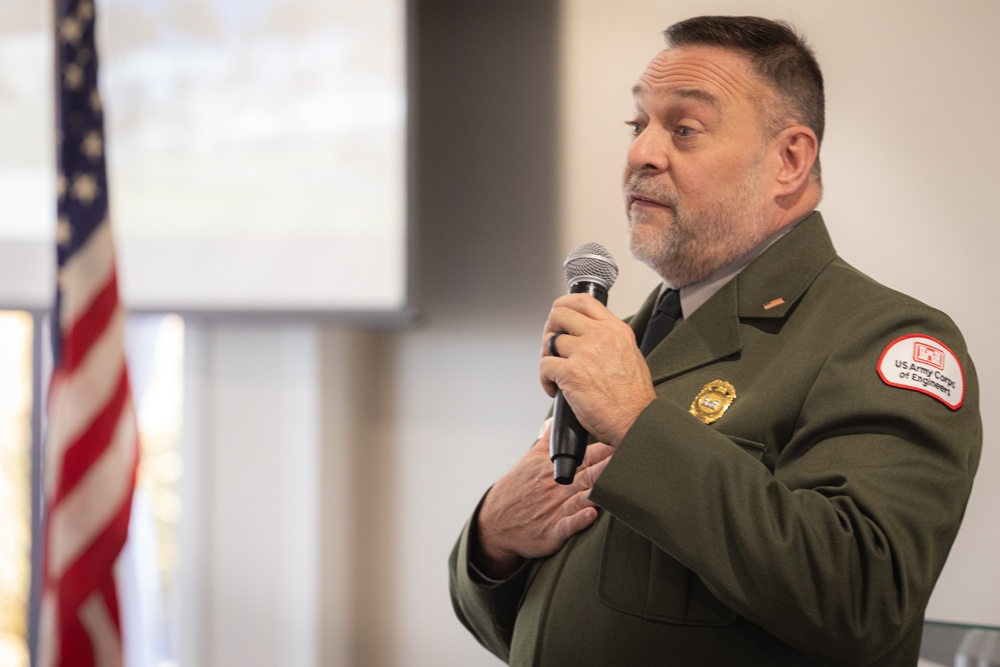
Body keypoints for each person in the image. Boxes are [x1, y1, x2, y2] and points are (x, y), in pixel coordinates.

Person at [448, 15, 982, 667]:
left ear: (789, 159)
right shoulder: (639, 334)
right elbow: (557, 614)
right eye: (637, 123)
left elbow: (862, 598)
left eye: (684, 129)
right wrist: (491, 539)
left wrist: (640, 426)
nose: (642, 152)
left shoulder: (886, 341)